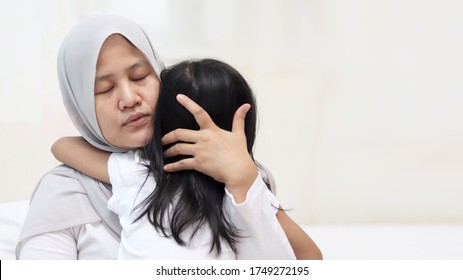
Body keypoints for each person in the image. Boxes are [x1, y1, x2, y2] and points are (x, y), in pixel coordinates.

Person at [16, 15, 322, 260]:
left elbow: (300, 259)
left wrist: (244, 177)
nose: (129, 98)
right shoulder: (64, 191)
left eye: (139, 77)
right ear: (78, 102)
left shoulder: (234, 173)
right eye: (104, 89)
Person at [52, 58, 288, 259]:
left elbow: (61, 146)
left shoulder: (137, 174)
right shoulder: (249, 187)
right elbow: (309, 258)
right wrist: (244, 175)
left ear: (161, 121)